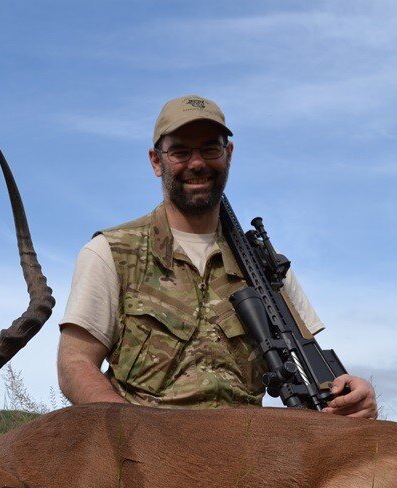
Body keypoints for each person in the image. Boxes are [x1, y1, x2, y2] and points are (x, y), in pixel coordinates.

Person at [57, 94, 377, 417]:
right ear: (156, 161)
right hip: (144, 452)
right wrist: (132, 431)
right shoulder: (110, 253)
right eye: (180, 151)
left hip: (247, 449)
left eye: (210, 149)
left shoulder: (267, 266)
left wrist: (353, 396)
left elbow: (314, 371)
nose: (197, 164)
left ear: (229, 155)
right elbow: (74, 363)